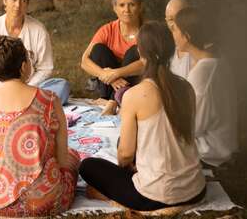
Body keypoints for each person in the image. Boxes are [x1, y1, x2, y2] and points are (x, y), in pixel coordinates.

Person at [79, 21, 206, 211]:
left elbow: (125, 154)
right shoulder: (187, 88)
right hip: (196, 189)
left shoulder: (135, 95)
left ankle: (113, 196)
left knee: (88, 166)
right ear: (171, 50)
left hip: (157, 195)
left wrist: (128, 167)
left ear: (141, 53)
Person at [0, 36, 79, 217]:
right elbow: (62, 160)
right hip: (43, 201)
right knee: (73, 156)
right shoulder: (49, 100)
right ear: (24, 66)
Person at [172, 7, 238, 166]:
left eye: (175, 30)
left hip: (209, 154)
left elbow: (191, 127)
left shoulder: (202, 73)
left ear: (186, 36)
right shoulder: (218, 61)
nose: (172, 35)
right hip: (220, 146)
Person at [81, 0, 144, 114]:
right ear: (115, 8)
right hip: (109, 85)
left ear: (140, 7)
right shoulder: (107, 29)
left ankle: (112, 102)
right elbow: (84, 61)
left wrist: (117, 73)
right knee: (98, 49)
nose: (126, 10)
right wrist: (106, 74)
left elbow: (146, 63)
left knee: (134, 51)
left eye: (131, 4)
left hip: (135, 84)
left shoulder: (147, 31)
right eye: (121, 5)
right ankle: (110, 99)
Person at [165, 0, 191, 78]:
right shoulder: (168, 49)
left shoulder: (198, 50)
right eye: (170, 20)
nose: (175, 24)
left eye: (179, 18)